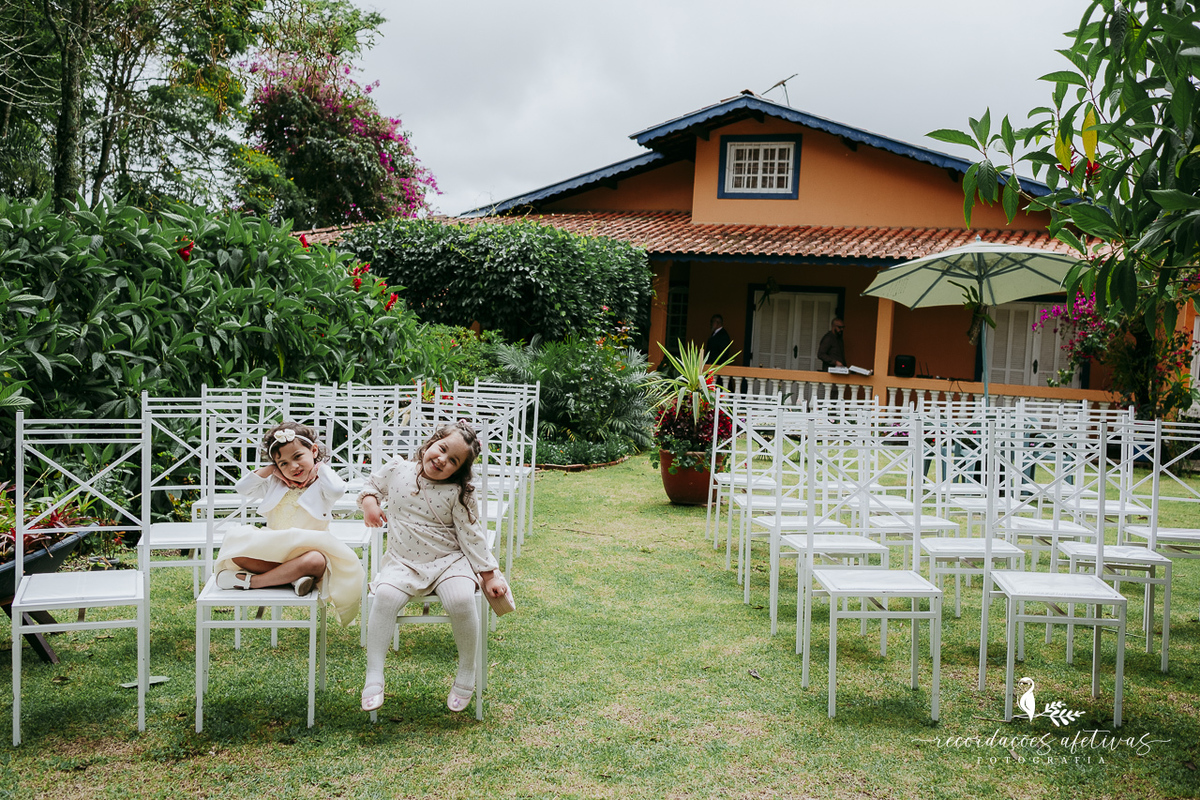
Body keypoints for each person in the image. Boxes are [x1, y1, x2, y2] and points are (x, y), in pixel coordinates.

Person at [358, 420, 510, 714]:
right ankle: (374, 674)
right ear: (431, 442)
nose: (442, 460)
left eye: (453, 460)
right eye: (441, 449)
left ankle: (467, 669)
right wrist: (369, 502)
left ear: (459, 470)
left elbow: (471, 534)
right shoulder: (398, 469)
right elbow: (371, 485)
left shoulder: (459, 492)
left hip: (448, 562)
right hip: (403, 562)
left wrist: (489, 575)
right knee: (385, 598)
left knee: (462, 599)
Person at [213, 421, 366, 626]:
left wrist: (319, 467)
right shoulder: (274, 483)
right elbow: (242, 488)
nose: (293, 467)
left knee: (316, 561)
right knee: (237, 550)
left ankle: (253, 582)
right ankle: (292, 578)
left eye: (298, 457)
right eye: (283, 463)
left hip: (308, 551)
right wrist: (270, 469)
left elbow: (338, 490)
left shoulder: (322, 484)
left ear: (313, 450)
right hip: (274, 550)